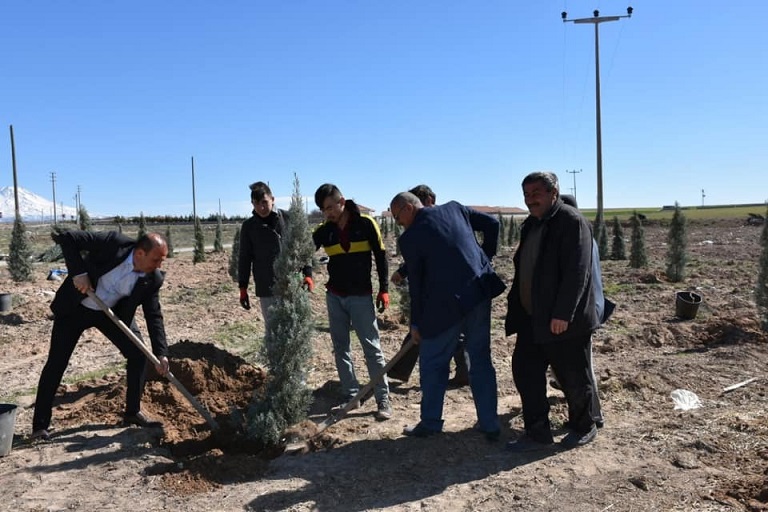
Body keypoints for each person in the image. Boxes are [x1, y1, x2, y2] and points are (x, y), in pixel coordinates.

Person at [32, 231, 171, 441]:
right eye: (156, 259)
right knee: (57, 362)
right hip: (76, 307)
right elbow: (66, 237)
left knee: (138, 354)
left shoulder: (153, 278)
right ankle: (40, 426)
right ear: (140, 253)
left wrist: (161, 353)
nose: (159, 265)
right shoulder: (114, 244)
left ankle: (132, 412)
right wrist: (78, 273)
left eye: (162, 260)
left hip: (111, 313)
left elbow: (154, 315)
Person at [391, 192, 505, 440]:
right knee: (480, 359)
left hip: (443, 307)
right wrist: (485, 258)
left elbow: (417, 286)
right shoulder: (455, 208)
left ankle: (430, 423)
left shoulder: (411, 238)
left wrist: (416, 323)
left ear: (409, 208)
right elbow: (493, 224)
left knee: (433, 362)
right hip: (478, 293)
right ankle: (490, 423)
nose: (400, 225)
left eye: (399, 219)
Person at [504, 172, 600, 452]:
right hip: (533, 319)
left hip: (563, 320)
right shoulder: (530, 225)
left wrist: (564, 313)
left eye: (536, 192)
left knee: (573, 376)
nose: (530, 198)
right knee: (525, 372)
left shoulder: (571, 222)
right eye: (526, 194)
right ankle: (537, 433)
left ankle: (584, 426)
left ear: (553, 193)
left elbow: (577, 271)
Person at [312, 184, 393, 421]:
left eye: (330, 207)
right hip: (335, 296)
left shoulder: (366, 224)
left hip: (360, 296)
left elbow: (381, 256)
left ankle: (382, 398)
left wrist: (384, 290)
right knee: (341, 347)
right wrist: (307, 272)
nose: (327, 213)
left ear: (342, 201)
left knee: (372, 348)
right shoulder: (324, 230)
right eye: (323, 209)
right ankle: (351, 395)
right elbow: (305, 251)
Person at [389, 184, 469, 387]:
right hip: (434, 286)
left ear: (429, 202)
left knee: (440, 330)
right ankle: (401, 370)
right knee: (429, 329)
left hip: (447, 287)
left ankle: (461, 371)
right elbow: (421, 257)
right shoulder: (422, 226)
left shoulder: (443, 220)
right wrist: (403, 271)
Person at [553, 194, 616, 428]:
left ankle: (594, 414)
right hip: (586, 308)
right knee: (575, 364)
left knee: (584, 366)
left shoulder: (579, 236)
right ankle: (575, 400)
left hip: (583, 313)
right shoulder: (581, 235)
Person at [238, 181, 314, 323]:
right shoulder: (249, 227)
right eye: (256, 203)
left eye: (264, 202)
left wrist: (308, 274)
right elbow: (244, 258)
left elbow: (303, 248)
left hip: (293, 282)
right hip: (266, 285)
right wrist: (243, 287)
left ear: (272, 199)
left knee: (295, 325)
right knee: (273, 328)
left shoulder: (289, 219)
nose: (261, 207)